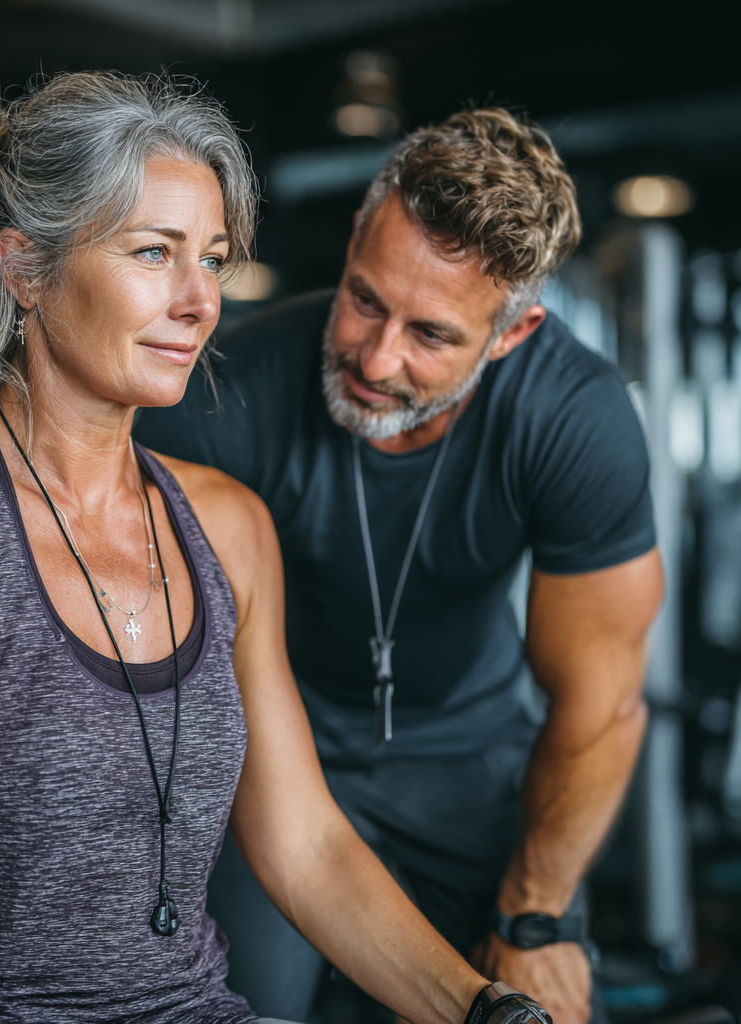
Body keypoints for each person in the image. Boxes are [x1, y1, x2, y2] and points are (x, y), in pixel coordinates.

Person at [0, 73, 543, 1024]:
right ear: (25, 269)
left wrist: (486, 1008)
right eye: (155, 253)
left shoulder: (229, 529)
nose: (201, 301)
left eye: (213, 260)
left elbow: (307, 844)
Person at [135, 108, 663, 1024]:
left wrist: (535, 919)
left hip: (471, 760)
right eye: (366, 299)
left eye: (433, 335)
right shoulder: (226, 397)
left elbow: (601, 702)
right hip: (271, 758)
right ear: (352, 245)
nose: (377, 358)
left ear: (513, 332)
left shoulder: (575, 419)